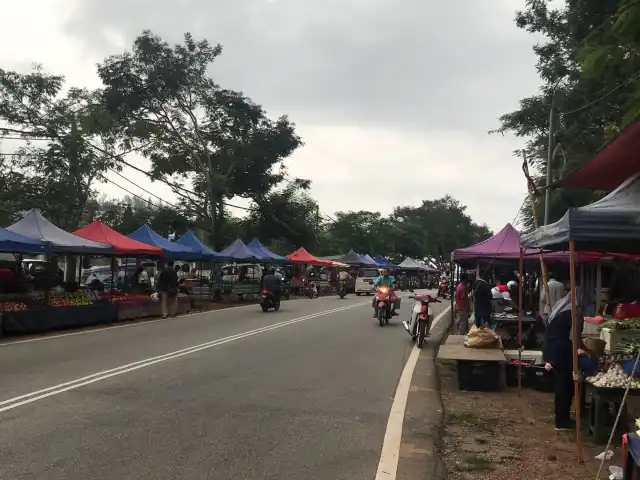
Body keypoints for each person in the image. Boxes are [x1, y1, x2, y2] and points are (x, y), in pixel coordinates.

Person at [543, 287, 588, 431]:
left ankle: (561, 418)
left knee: (561, 385)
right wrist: (585, 349)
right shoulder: (575, 313)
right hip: (563, 351)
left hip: (552, 348)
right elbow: (573, 338)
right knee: (566, 386)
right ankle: (561, 422)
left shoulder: (561, 306)